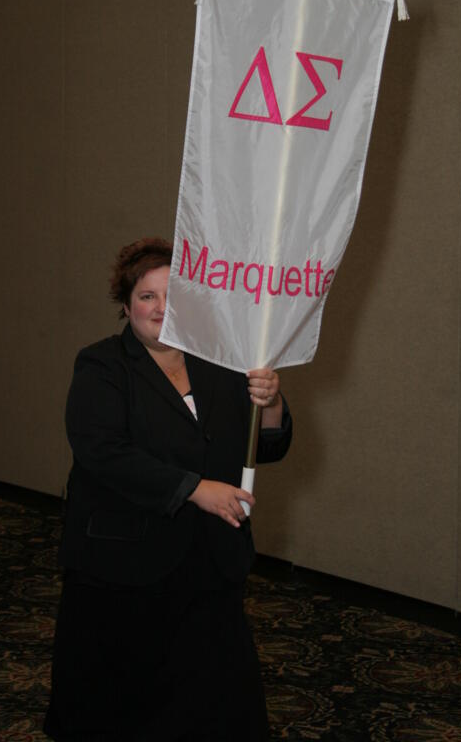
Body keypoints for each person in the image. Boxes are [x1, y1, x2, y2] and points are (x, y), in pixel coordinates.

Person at [44, 237, 292, 742]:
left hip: (208, 564)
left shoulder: (220, 362)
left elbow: (261, 447)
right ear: (126, 303)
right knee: (128, 710)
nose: (159, 308)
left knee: (211, 705)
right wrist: (196, 489)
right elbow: (104, 454)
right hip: (125, 569)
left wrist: (272, 404)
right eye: (147, 296)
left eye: (170, 296)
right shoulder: (101, 365)